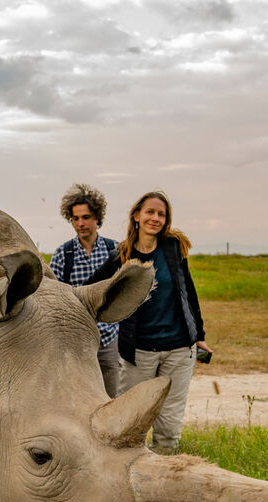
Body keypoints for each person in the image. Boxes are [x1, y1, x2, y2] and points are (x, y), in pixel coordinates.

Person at [87, 190, 211, 453]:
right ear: (136, 216)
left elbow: (187, 291)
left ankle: (164, 480)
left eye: (161, 214)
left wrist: (198, 333)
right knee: (131, 423)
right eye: (150, 212)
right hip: (138, 353)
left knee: (169, 426)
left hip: (179, 350)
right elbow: (91, 289)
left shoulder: (173, 249)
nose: (155, 218)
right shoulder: (122, 255)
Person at [48, 183, 122, 398]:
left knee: (111, 400)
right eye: (75, 218)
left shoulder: (115, 250)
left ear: (97, 218)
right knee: (78, 401)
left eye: (86, 217)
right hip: (77, 342)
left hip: (110, 338)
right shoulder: (63, 254)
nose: (81, 223)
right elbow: (54, 299)